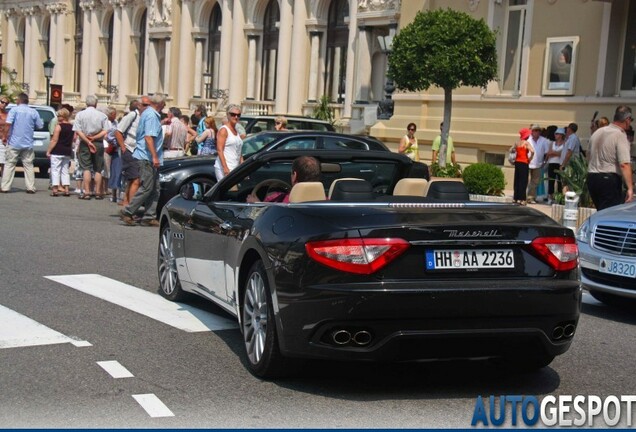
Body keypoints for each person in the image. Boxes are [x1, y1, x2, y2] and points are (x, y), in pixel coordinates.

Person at [120, 93, 165, 226]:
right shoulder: (151, 116)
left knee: (155, 188)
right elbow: (148, 137)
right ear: (161, 104)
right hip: (147, 156)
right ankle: (128, 211)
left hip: (146, 155)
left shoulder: (148, 114)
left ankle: (149, 216)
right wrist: (155, 156)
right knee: (147, 187)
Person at [587, 105, 634, 210]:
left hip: (592, 177)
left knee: (600, 211)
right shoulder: (620, 134)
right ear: (627, 119)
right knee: (609, 213)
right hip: (608, 178)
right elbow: (624, 164)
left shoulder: (597, 132)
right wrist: (630, 188)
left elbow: (588, 156)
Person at [0, 93, 43, 193]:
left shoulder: (14, 110)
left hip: (14, 142)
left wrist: (4, 136)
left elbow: (8, 124)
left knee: (10, 164)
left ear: (19, 100)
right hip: (27, 142)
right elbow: (40, 125)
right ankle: (30, 187)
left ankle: (5, 187)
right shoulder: (33, 112)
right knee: (28, 165)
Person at [73, 95, 109, 199]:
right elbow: (105, 130)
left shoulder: (80, 115)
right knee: (98, 168)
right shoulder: (102, 115)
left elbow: (78, 131)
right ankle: (98, 192)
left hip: (85, 142)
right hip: (98, 142)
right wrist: (94, 138)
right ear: (96, 104)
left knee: (86, 167)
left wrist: (88, 140)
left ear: (86, 103)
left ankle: (87, 192)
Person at [246, 156, 321, 203]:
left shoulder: (281, 201)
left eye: (291, 173)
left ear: (294, 176)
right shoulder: (328, 202)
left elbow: (264, 217)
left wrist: (256, 204)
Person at [115, 99, 142, 206]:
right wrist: (123, 147)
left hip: (136, 150)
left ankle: (126, 201)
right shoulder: (132, 115)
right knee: (136, 179)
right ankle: (131, 207)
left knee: (131, 178)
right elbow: (118, 131)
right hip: (130, 149)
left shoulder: (142, 117)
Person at [45, 108, 75, 196]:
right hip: (67, 151)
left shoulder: (59, 126)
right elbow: (72, 140)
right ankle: (66, 189)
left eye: (59, 116)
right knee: (65, 170)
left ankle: (55, 189)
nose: (58, 117)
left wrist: (48, 151)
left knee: (55, 170)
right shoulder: (71, 127)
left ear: (64, 116)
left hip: (57, 150)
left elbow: (54, 140)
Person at [214, 104, 244, 181]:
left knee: (234, 192)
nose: (236, 117)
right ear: (228, 115)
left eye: (238, 115)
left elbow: (239, 150)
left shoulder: (236, 131)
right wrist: (225, 168)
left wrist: (243, 165)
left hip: (235, 167)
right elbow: (220, 150)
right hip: (225, 168)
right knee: (227, 191)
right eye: (233, 114)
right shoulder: (224, 130)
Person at [510, 127, 535, 205]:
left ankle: (515, 198)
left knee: (517, 180)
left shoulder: (517, 143)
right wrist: (530, 159)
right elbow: (533, 151)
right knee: (523, 181)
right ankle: (522, 199)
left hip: (517, 162)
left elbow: (511, 150)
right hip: (524, 162)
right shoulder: (526, 143)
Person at [526, 124, 550, 204]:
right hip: (527, 163)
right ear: (532, 132)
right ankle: (524, 196)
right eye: (534, 130)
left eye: (538, 130)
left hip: (538, 164)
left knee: (535, 182)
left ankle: (531, 197)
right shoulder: (528, 140)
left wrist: (544, 162)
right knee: (526, 181)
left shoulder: (544, 140)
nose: (536, 132)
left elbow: (547, 153)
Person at [546, 127, 566, 204]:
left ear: (561, 135)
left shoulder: (564, 144)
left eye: (557, 134)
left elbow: (561, 154)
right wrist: (555, 153)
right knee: (551, 180)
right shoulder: (552, 143)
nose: (555, 135)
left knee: (559, 181)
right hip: (551, 163)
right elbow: (548, 153)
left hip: (559, 164)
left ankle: (559, 198)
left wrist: (553, 153)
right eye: (555, 133)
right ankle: (550, 197)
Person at [0, 96, 10, 177]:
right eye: (2, 102)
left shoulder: (8, 114)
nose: (3, 104)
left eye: (6, 103)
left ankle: (3, 183)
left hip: (4, 140)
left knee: (4, 162)